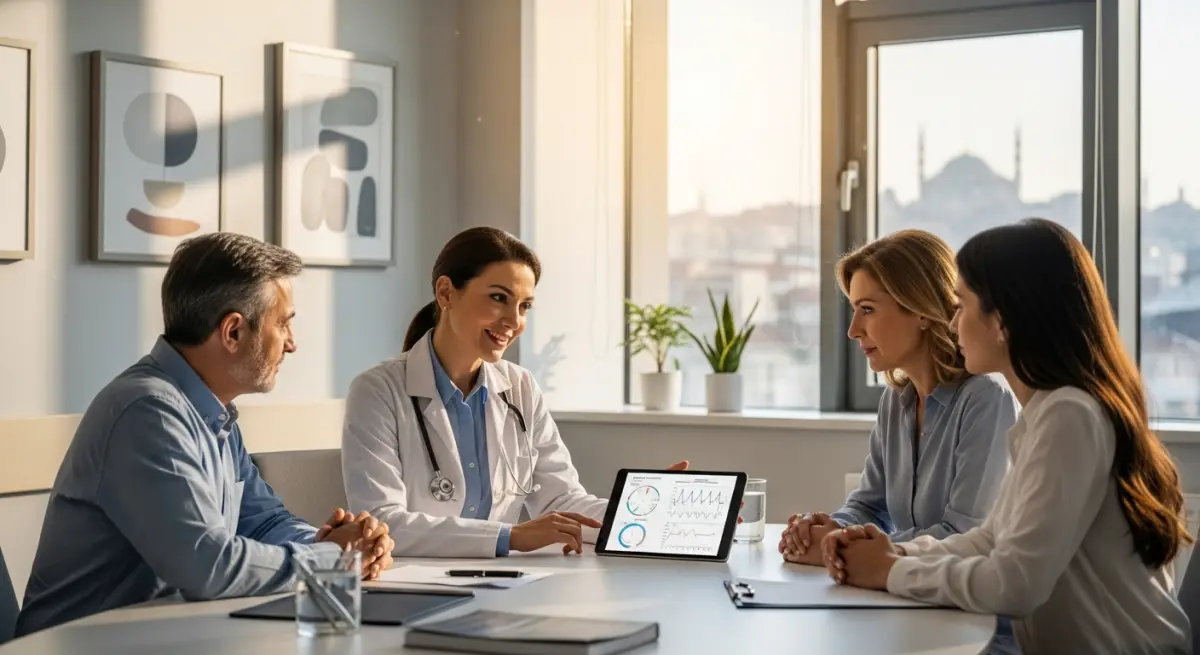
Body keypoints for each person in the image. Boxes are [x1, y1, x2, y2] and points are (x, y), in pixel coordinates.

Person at [820, 219, 1193, 654]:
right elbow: (989, 540)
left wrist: (888, 571)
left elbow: (1015, 585)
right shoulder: (1045, 412)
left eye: (961, 306)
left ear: (1002, 321)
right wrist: (897, 556)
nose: (951, 322)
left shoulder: (1070, 415)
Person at [16, 233, 394, 637]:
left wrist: (335, 542)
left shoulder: (213, 411)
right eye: (283, 323)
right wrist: (334, 557)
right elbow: (208, 566)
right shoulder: (148, 412)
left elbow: (263, 522)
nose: (292, 344)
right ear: (232, 332)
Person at [342, 226, 687, 559]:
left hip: (500, 579)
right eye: (499, 298)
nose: (513, 320)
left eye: (524, 306)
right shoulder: (378, 391)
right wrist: (510, 536)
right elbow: (383, 522)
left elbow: (560, 501)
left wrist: (640, 510)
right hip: (413, 581)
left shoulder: (520, 387)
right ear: (446, 293)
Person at [780, 229, 1017, 564]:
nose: (853, 330)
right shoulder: (895, 400)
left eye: (867, 309)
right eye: (854, 310)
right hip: (905, 586)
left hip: (960, 593)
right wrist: (828, 528)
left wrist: (841, 547)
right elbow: (869, 508)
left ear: (920, 310)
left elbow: (964, 537)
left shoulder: (986, 398)